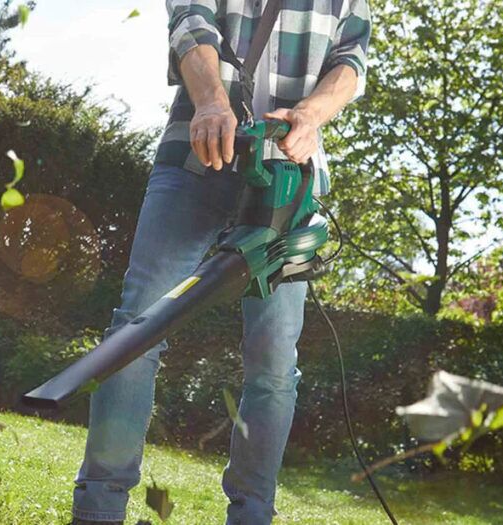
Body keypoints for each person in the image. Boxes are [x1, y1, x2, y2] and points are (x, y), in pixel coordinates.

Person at [71, 1, 371, 524]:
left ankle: (252, 514)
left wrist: (310, 115)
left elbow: (351, 61)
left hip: (287, 175)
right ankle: (98, 509)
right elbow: (191, 22)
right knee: (138, 327)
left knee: (274, 361)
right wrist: (212, 100)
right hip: (196, 157)